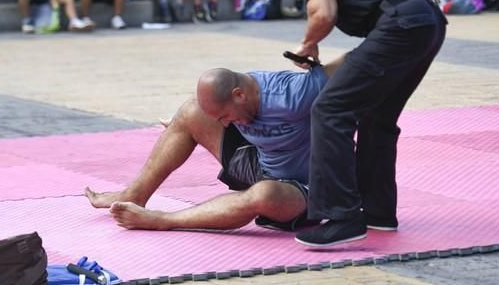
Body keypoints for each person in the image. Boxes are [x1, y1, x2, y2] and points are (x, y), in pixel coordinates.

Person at [246, 0, 446, 247]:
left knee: (329, 110)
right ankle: (379, 213)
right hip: (426, 21)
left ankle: (342, 216)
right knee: (377, 117)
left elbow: (323, 12)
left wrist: (307, 44)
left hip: (401, 24)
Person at [85, 55, 345, 232]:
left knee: (264, 194)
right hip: (262, 166)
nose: (223, 124)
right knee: (190, 112)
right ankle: (135, 195)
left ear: (239, 95)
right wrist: (183, 123)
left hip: (303, 189)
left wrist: (313, 41)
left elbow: (358, 57)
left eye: (225, 117)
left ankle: (162, 220)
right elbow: (212, 117)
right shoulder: (237, 103)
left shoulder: (294, 92)